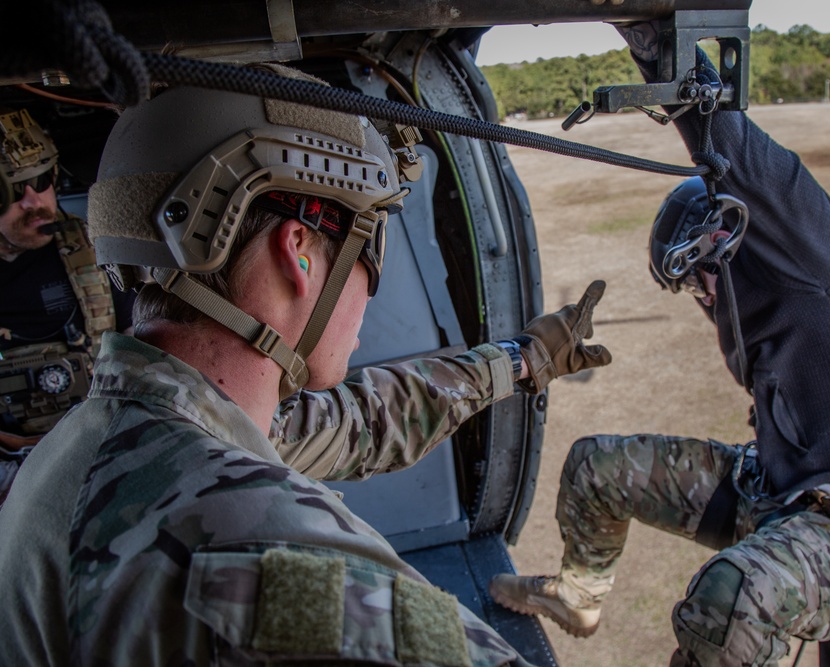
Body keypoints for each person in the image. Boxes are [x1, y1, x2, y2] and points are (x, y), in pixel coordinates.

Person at [0, 64, 611, 666]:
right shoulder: (266, 548)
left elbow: (358, 422)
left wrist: (521, 360)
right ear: (298, 253)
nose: (370, 283)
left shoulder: (94, 443)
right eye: (369, 241)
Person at [490, 31, 830, 666]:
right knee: (597, 468)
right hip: (783, 492)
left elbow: (730, 144)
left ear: (728, 237)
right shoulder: (756, 318)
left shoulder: (814, 255)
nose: (701, 296)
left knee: (732, 597)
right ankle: (578, 597)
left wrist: (653, 38)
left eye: (698, 274)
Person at [0, 108, 133, 500]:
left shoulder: (96, 250)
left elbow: (139, 347)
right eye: (13, 191)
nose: (32, 201)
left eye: (40, 181)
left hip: (96, 444)